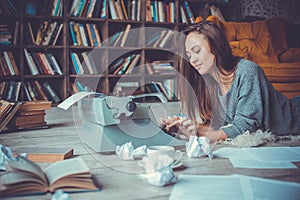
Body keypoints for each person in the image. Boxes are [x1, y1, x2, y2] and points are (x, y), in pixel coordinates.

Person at [160, 21, 300, 142]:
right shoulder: (209, 83)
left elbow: (244, 128)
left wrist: (197, 133)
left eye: (197, 51)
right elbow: (221, 125)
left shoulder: (247, 71)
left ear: (216, 46)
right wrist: (183, 127)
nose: (192, 60)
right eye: (189, 55)